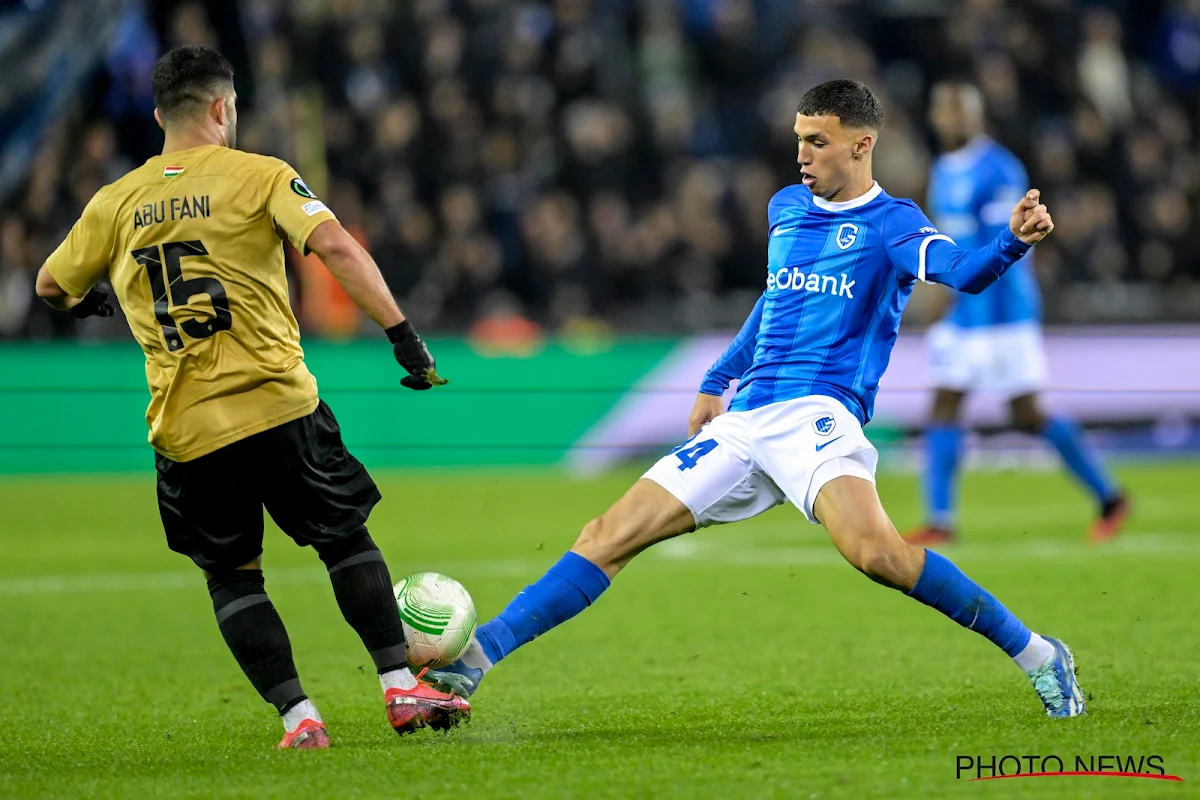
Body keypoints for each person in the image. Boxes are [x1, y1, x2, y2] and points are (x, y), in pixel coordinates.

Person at [428, 79, 1086, 720]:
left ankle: (1038, 654)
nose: (802, 154)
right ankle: (477, 658)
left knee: (878, 555)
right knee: (606, 535)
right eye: (799, 138)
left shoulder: (892, 224)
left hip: (819, 415)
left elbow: (964, 274)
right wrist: (718, 377)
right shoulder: (785, 208)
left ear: (862, 145)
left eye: (818, 141)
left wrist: (1011, 241)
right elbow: (776, 305)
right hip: (747, 420)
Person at [33, 45, 468, 750]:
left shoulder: (113, 203)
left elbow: (52, 284)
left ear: (157, 116)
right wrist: (404, 337)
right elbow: (337, 247)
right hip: (277, 405)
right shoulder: (262, 176)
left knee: (233, 577)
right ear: (222, 108)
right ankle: (399, 690)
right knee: (343, 539)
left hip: (187, 429)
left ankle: (300, 722)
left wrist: (88, 301)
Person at [904, 80, 1129, 547]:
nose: (948, 119)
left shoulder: (999, 169)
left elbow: (1003, 247)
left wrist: (955, 299)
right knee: (944, 404)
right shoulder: (944, 168)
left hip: (1002, 312)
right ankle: (940, 520)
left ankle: (1109, 495)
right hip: (962, 313)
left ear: (975, 115)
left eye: (957, 110)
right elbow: (949, 240)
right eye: (942, 110)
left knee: (1026, 414)